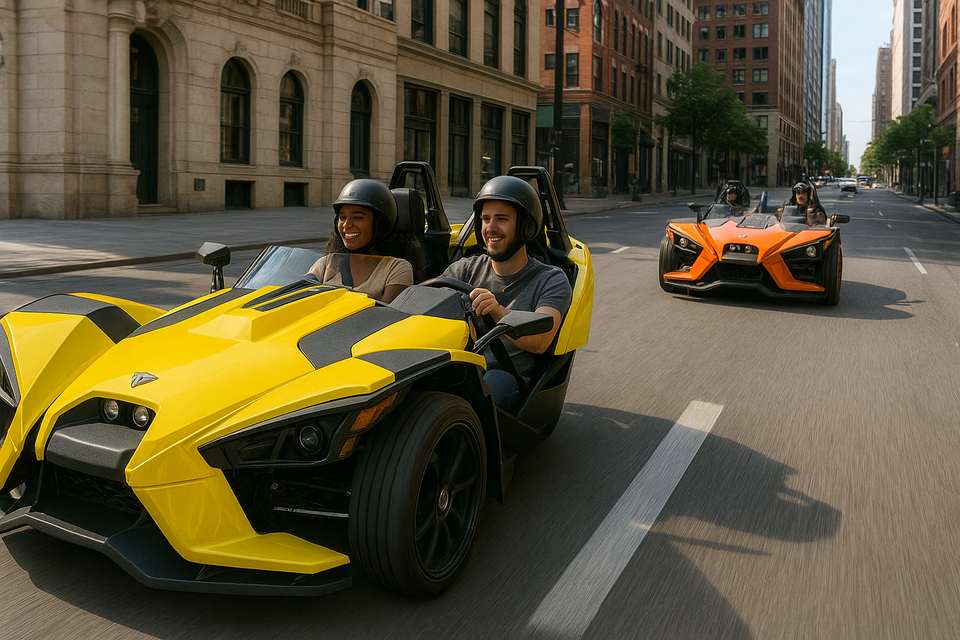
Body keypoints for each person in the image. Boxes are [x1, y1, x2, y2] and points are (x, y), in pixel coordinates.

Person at [442, 176, 572, 412]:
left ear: (526, 227)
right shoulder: (464, 268)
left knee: (479, 394)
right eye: (485, 219)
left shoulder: (551, 279)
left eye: (501, 219)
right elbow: (428, 308)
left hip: (505, 374)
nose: (490, 228)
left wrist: (498, 312)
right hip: (457, 365)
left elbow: (541, 341)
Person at [308, 179, 414, 303]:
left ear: (380, 224)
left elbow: (386, 313)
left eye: (357, 217)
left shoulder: (397, 268)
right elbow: (300, 296)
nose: (346, 225)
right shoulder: (327, 263)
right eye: (342, 217)